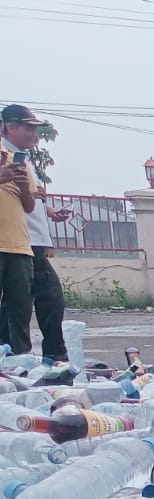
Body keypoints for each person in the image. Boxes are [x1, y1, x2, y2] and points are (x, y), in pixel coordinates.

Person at [2, 104, 65, 360]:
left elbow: (26, 204)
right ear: (10, 126)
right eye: (28, 127)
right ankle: (46, 358)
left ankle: (22, 361)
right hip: (15, 243)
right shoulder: (6, 155)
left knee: (21, 306)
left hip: (25, 244)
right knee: (24, 304)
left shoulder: (23, 161)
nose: (34, 134)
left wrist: (43, 205)